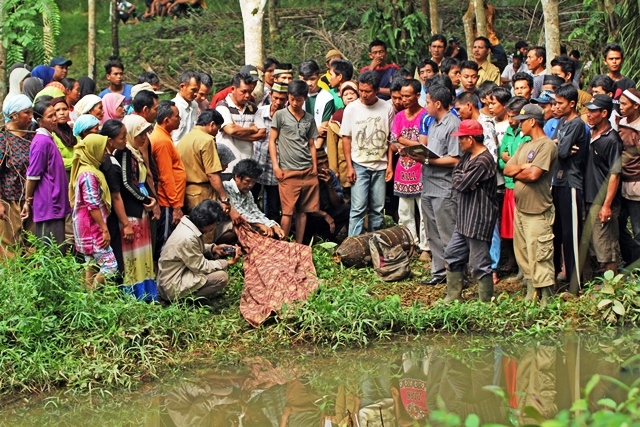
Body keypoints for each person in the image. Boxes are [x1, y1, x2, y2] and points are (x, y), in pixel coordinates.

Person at [504, 104, 558, 305]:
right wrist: (522, 168)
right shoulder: (524, 144)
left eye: (522, 121)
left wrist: (522, 171)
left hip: (538, 210)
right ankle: (530, 290)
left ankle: (546, 295)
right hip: (521, 208)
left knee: (540, 252)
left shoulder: (546, 146)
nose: (519, 124)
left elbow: (534, 174)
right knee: (523, 251)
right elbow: (507, 169)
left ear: (532, 121)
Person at [441, 120, 498, 302]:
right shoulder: (468, 156)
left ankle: (485, 301)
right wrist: (464, 180)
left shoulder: (484, 160)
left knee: (479, 262)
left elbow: (462, 183)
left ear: (471, 139)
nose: (459, 142)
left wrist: (465, 180)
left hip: (478, 217)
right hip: (464, 217)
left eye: (462, 138)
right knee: (452, 254)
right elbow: (457, 178)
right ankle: (453, 296)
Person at [411, 85, 461, 286]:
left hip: (444, 186)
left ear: (438, 104)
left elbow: (455, 158)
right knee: (432, 232)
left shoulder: (453, 124)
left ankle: (455, 274)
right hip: (428, 185)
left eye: (428, 102)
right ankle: (439, 272)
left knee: (447, 232)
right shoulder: (432, 122)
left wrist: (428, 161)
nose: (426, 105)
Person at [157, 199, 241, 304]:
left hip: (175, 276)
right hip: (172, 285)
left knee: (214, 260)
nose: (214, 227)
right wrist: (228, 263)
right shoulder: (187, 237)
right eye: (215, 224)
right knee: (221, 277)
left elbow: (192, 249)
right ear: (206, 223)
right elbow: (202, 266)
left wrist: (213, 248)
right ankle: (181, 301)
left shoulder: (188, 224)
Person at [341, 71, 394, 236]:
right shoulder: (351, 109)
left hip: (380, 164)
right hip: (359, 164)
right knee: (358, 208)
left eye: (367, 91)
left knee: (378, 209)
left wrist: (389, 165)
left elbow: (391, 140)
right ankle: (352, 246)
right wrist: (349, 166)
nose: (363, 94)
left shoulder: (387, 107)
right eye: (361, 90)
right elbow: (346, 138)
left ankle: (374, 245)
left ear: (377, 90)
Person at [269, 80, 319, 243]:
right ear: (288, 97)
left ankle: (299, 243)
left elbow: (312, 145)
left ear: (305, 98)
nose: (295, 102)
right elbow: (272, 141)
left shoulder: (309, 119)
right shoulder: (280, 115)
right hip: (288, 171)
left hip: (307, 170)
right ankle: (283, 245)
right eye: (292, 98)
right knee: (287, 211)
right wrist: (276, 166)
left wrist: (315, 167)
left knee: (303, 211)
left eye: (299, 99)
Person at [580, 95, 623, 277]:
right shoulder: (590, 134)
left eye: (592, 111)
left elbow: (615, 174)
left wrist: (606, 205)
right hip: (588, 196)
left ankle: (610, 288)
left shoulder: (612, 140)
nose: (588, 115)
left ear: (604, 113)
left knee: (606, 248)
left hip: (602, 200)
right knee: (590, 245)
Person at [116, 115, 158, 300]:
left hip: (141, 208)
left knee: (143, 251)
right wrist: (144, 198)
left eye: (145, 133)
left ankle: (147, 291)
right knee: (133, 253)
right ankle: (135, 294)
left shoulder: (135, 152)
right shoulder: (125, 153)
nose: (144, 137)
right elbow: (126, 182)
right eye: (140, 133)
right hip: (132, 210)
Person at [551, 83, 588, 293]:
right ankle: (557, 277)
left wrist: (559, 145)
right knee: (557, 232)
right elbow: (552, 146)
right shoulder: (562, 122)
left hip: (571, 183)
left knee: (571, 235)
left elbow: (563, 151)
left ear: (572, 104)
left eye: (560, 103)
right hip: (557, 181)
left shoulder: (576, 124)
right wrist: (558, 144)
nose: (555, 107)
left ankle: (576, 284)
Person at [21, 98, 71, 249]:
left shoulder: (49, 138)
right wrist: (27, 201)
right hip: (49, 204)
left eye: (54, 114)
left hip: (56, 203)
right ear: (39, 120)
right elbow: (33, 175)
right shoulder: (41, 142)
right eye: (50, 116)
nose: (55, 118)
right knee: (52, 251)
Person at [69, 133, 118, 287]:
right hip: (92, 227)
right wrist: (104, 230)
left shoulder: (87, 168)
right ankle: (93, 293)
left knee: (91, 263)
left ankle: (88, 301)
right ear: (93, 150)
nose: (106, 153)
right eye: (103, 150)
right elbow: (92, 205)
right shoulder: (89, 174)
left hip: (86, 226)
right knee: (110, 266)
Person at [390, 79, 428, 253]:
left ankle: (426, 247)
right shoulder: (399, 117)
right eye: (401, 96)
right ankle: (410, 243)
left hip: (421, 169)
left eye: (407, 96)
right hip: (402, 169)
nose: (403, 100)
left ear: (418, 95)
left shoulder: (425, 116)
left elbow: (423, 145)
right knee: (404, 211)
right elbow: (393, 142)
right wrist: (407, 144)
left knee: (424, 210)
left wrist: (403, 142)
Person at [150, 100, 187, 258]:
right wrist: (176, 206)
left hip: (169, 201)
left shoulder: (163, 136)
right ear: (167, 120)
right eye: (177, 117)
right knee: (165, 245)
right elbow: (166, 177)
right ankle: (162, 280)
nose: (180, 120)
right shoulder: (162, 141)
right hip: (167, 202)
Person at [498, 96, 530, 274]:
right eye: (508, 116)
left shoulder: (527, 136)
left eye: (513, 116)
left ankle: (523, 267)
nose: (510, 120)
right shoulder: (508, 133)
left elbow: (525, 163)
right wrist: (511, 163)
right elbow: (500, 162)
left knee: (522, 229)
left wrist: (510, 162)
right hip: (509, 185)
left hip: (523, 185)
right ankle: (513, 262)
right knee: (509, 229)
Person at [0, 95, 34, 257]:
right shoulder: (3, 140)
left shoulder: (32, 137)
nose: (30, 116)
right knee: (10, 247)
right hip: (9, 201)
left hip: (31, 200)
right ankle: (13, 281)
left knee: (32, 245)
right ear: (14, 115)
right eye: (26, 113)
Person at [177, 109, 230, 212]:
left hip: (187, 192)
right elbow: (212, 174)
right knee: (206, 226)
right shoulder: (207, 140)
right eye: (217, 129)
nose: (216, 133)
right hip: (203, 193)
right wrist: (224, 198)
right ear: (212, 124)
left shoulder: (185, 139)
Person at [223, 159, 285, 239]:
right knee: (246, 228)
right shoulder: (226, 188)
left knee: (269, 231)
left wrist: (272, 225)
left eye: (253, 182)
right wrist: (260, 225)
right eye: (247, 181)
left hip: (246, 223)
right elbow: (240, 213)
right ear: (237, 177)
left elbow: (255, 212)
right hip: (226, 226)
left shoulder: (248, 193)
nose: (250, 185)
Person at [253, 82, 288, 222]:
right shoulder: (259, 112)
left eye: (282, 99)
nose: (278, 102)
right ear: (270, 95)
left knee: (273, 207)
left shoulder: (288, 117)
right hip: (257, 161)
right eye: (276, 98)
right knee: (252, 199)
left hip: (276, 166)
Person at [215, 72, 261, 172]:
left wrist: (239, 133)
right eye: (243, 92)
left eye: (250, 91)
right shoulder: (222, 107)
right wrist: (251, 129)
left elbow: (262, 133)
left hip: (246, 166)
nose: (247, 95)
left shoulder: (253, 108)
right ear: (233, 89)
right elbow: (231, 130)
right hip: (227, 167)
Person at [305, 150, 350, 242]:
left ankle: (325, 239)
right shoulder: (307, 176)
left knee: (346, 209)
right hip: (311, 215)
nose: (324, 167)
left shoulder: (330, 174)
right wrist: (324, 215)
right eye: (320, 164)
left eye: (326, 162)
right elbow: (304, 207)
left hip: (325, 213)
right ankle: (308, 239)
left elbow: (337, 203)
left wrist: (329, 185)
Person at [617, 89, 640, 267]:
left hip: (636, 183)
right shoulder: (621, 123)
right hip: (621, 181)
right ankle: (631, 259)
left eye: (624, 104)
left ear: (636, 106)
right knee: (619, 223)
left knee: (638, 228)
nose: (621, 107)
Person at [299, 60, 335, 149]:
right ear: (300, 78)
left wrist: (315, 149)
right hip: (299, 147)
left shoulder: (327, 97)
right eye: (305, 79)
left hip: (319, 147)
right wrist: (314, 130)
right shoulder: (296, 97)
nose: (309, 83)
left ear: (318, 77)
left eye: (312, 79)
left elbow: (323, 129)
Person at [171, 70, 201, 144]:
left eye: (197, 90)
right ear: (182, 86)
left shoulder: (195, 105)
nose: (196, 94)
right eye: (193, 90)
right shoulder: (173, 106)